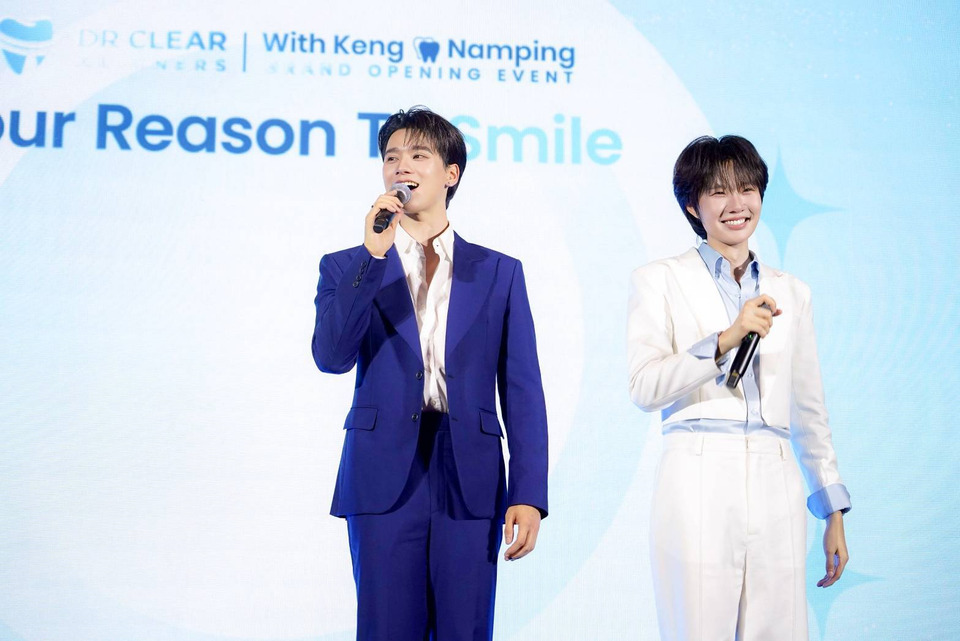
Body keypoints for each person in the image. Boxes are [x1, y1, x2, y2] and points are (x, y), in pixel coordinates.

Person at [312, 106, 548, 641]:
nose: (402, 166)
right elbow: (331, 356)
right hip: (381, 472)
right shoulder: (346, 266)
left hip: (469, 472)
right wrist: (372, 256)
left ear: (451, 173)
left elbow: (523, 390)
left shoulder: (499, 272)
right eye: (391, 157)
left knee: (466, 628)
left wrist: (528, 491)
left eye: (418, 155)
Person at [627, 135, 851, 640]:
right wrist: (725, 340)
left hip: (776, 476)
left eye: (747, 189)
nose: (737, 204)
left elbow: (809, 409)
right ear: (693, 205)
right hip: (698, 470)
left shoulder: (791, 291)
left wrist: (832, 507)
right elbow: (645, 386)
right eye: (719, 192)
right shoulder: (659, 279)